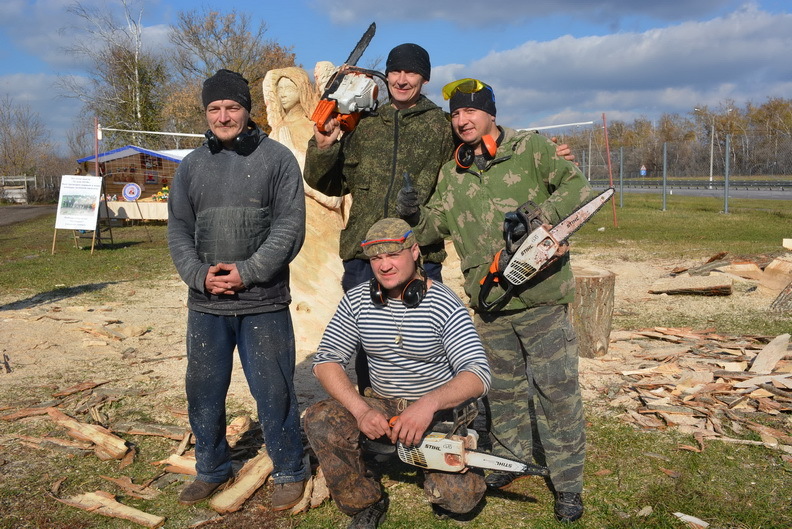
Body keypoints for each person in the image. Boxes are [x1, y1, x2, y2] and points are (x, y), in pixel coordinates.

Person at [398, 78, 594, 523]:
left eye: (470, 112)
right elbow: (433, 229)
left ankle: (567, 483)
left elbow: (578, 189)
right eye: (456, 115)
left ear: (491, 114)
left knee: (556, 392)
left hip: (541, 295)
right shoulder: (454, 172)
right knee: (502, 390)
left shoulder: (531, 149)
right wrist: (413, 214)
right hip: (489, 303)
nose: (462, 121)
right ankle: (510, 458)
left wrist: (537, 221)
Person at [167, 69, 307, 510]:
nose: (223, 116)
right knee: (203, 388)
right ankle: (211, 468)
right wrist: (198, 275)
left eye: (232, 107)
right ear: (206, 113)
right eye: (214, 108)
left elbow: (289, 227)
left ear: (247, 110)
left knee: (275, 389)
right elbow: (178, 230)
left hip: (262, 300)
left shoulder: (277, 159)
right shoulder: (191, 166)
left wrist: (248, 271)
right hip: (207, 303)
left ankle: (289, 468)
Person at [303, 217, 492, 529]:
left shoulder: (444, 303)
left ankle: (435, 463)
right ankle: (364, 501)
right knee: (319, 418)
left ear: (415, 251)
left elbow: (478, 373)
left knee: (459, 501)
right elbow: (325, 362)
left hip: (435, 409)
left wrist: (427, 405)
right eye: (376, 258)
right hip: (382, 402)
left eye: (393, 255)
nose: (384, 266)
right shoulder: (357, 300)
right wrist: (361, 410)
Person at [262, 66, 344, 212]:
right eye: (279, 89)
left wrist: (292, 156)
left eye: (288, 88)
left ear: (301, 89)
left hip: (321, 218)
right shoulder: (276, 133)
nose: (282, 94)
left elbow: (335, 198)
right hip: (287, 215)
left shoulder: (319, 130)